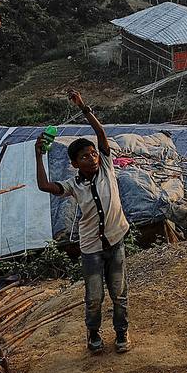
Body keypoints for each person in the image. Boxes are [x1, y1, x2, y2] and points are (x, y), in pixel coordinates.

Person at [35, 89, 133, 354]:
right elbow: (44, 186)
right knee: (94, 296)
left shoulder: (107, 167)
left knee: (119, 292)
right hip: (91, 248)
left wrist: (83, 106)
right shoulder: (73, 185)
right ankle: (93, 334)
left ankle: (122, 332)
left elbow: (100, 133)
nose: (92, 158)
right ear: (74, 164)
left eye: (93, 154)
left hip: (115, 240)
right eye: (85, 156)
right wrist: (38, 155)